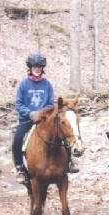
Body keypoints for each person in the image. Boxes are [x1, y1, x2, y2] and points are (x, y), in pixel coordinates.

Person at [12, 53, 79, 184]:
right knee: (17, 141)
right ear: (30, 68)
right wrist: (31, 113)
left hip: (45, 120)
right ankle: (20, 168)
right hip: (27, 120)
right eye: (34, 67)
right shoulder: (23, 84)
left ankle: (70, 162)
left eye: (39, 67)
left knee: (63, 135)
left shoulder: (47, 84)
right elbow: (18, 104)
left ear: (42, 68)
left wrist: (42, 113)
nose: (37, 69)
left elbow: (50, 103)